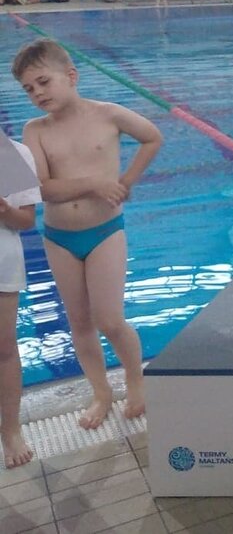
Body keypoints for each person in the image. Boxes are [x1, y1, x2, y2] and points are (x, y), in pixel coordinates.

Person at [13, 39, 163, 429]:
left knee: (110, 320)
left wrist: (127, 180)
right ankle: (101, 392)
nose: (37, 93)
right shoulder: (35, 130)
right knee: (79, 323)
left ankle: (135, 380)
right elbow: (42, 189)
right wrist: (96, 182)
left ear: (71, 76)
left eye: (43, 82)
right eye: (28, 89)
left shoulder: (108, 115)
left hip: (105, 232)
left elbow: (152, 137)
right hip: (59, 237)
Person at [0, 135, 39, 468]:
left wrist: (5, 209)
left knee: (4, 348)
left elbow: (26, 220)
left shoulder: (9, 152)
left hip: (2, 263)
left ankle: (10, 430)